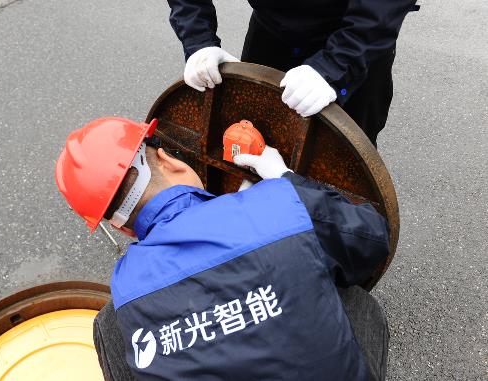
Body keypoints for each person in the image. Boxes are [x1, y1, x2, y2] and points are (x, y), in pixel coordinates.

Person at [55, 117, 391, 380]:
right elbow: (372, 241)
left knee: (113, 329)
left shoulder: (124, 299)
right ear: (167, 159)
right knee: (353, 298)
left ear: (119, 225)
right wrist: (287, 181)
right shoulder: (279, 204)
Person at [166, 0, 419, 146]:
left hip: (353, 38)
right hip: (272, 32)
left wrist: (336, 66)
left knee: (343, 162)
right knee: (251, 143)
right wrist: (199, 41)